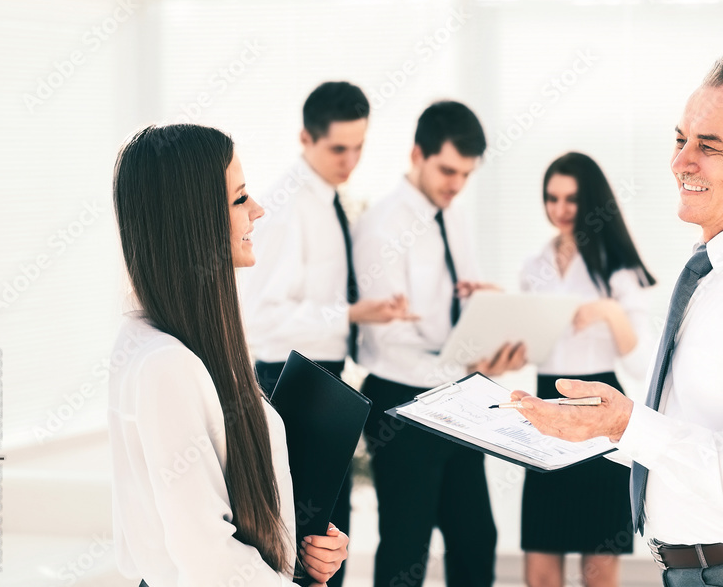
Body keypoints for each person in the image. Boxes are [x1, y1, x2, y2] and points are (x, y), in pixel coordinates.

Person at [512, 56, 723, 587]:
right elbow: (694, 442)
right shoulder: (712, 276)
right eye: (681, 140)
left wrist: (624, 423)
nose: (681, 163)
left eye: (710, 146)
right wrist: (594, 430)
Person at [108, 124, 349, 586]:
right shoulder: (165, 364)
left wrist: (300, 548)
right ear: (193, 221)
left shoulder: (168, 340)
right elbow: (208, 560)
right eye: (239, 200)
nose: (258, 211)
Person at [239, 82, 412, 587]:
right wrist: (351, 313)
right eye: (339, 148)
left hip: (322, 383)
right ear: (305, 139)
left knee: (325, 543)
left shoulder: (326, 199)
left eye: (359, 146)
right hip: (290, 387)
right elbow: (263, 316)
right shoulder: (288, 208)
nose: (351, 160)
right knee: (301, 549)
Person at [352, 100, 526, 587]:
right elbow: (384, 341)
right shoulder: (381, 226)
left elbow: (464, 297)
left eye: (465, 174)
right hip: (402, 401)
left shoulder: (454, 215)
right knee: (407, 546)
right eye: (448, 170)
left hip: (458, 395)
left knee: (475, 537)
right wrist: (462, 365)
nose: (456, 184)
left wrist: (491, 336)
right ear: (417, 155)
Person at [519, 151, 656, 587]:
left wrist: (609, 312)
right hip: (543, 410)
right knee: (540, 562)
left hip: (600, 409)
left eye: (571, 199)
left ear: (591, 200)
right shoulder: (533, 267)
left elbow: (640, 362)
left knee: (598, 567)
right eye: (551, 198)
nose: (559, 210)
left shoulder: (618, 268)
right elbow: (530, 349)